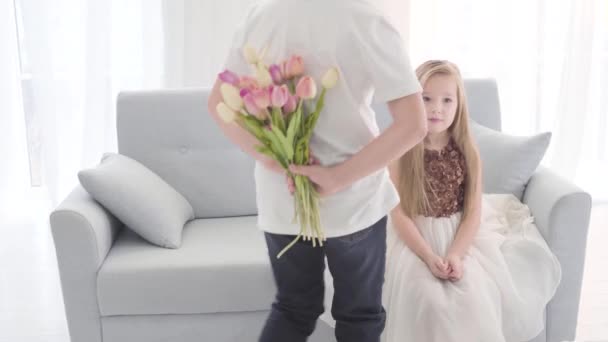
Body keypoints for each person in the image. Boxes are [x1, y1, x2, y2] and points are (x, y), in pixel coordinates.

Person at [207, 1, 426, 341]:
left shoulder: (263, 13)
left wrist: (276, 162)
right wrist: (337, 177)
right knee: (360, 316)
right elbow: (413, 124)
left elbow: (218, 103)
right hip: (354, 203)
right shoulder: (366, 17)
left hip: (283, 198)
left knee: (293, 310)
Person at [321, 59, 561, 341]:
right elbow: (398, 214)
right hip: (411, 237)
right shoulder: (401, 150)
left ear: (459, 105)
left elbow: (472, 212)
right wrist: (428, 256)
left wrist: (456, 254)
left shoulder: (468, 151)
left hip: (460, 235)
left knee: (472, 298)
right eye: (426, 99)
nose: (437, 108)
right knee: (426, 300)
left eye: (447, 100)